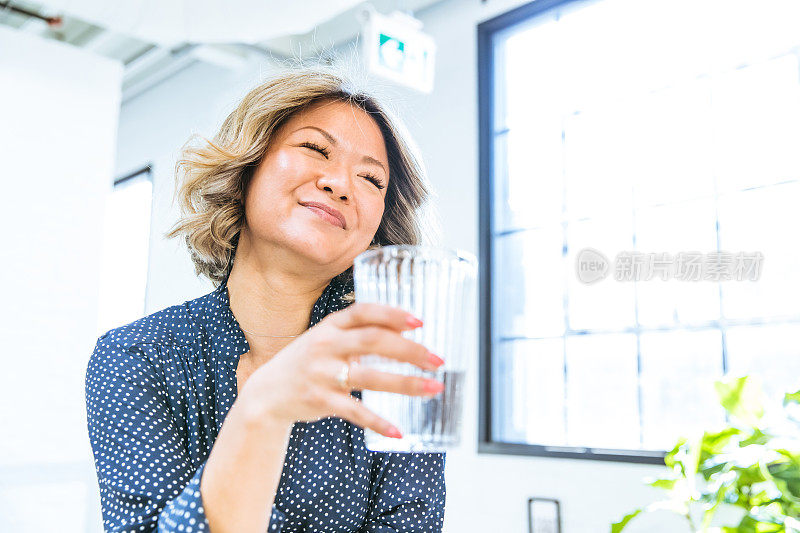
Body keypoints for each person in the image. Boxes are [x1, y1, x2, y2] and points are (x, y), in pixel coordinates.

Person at [85, 65, 447, 533]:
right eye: (315, 149)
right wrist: (262, 410)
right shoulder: (137, 357)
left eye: (371, 180)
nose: (340, 184)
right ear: (245, 168)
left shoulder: (394, 375)